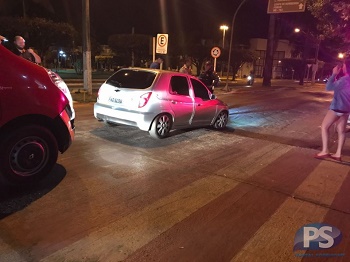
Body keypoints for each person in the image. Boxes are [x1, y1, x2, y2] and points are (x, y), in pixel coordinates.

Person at [315, 59, 350, 162]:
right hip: (346, 109)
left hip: (336, 107)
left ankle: (325, 150)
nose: (342, 67)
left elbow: (329, 87)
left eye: (344, 65)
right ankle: (338, 154)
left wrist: (334, 74)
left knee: (324, 127)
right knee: (341, 131)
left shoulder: (344, 80)